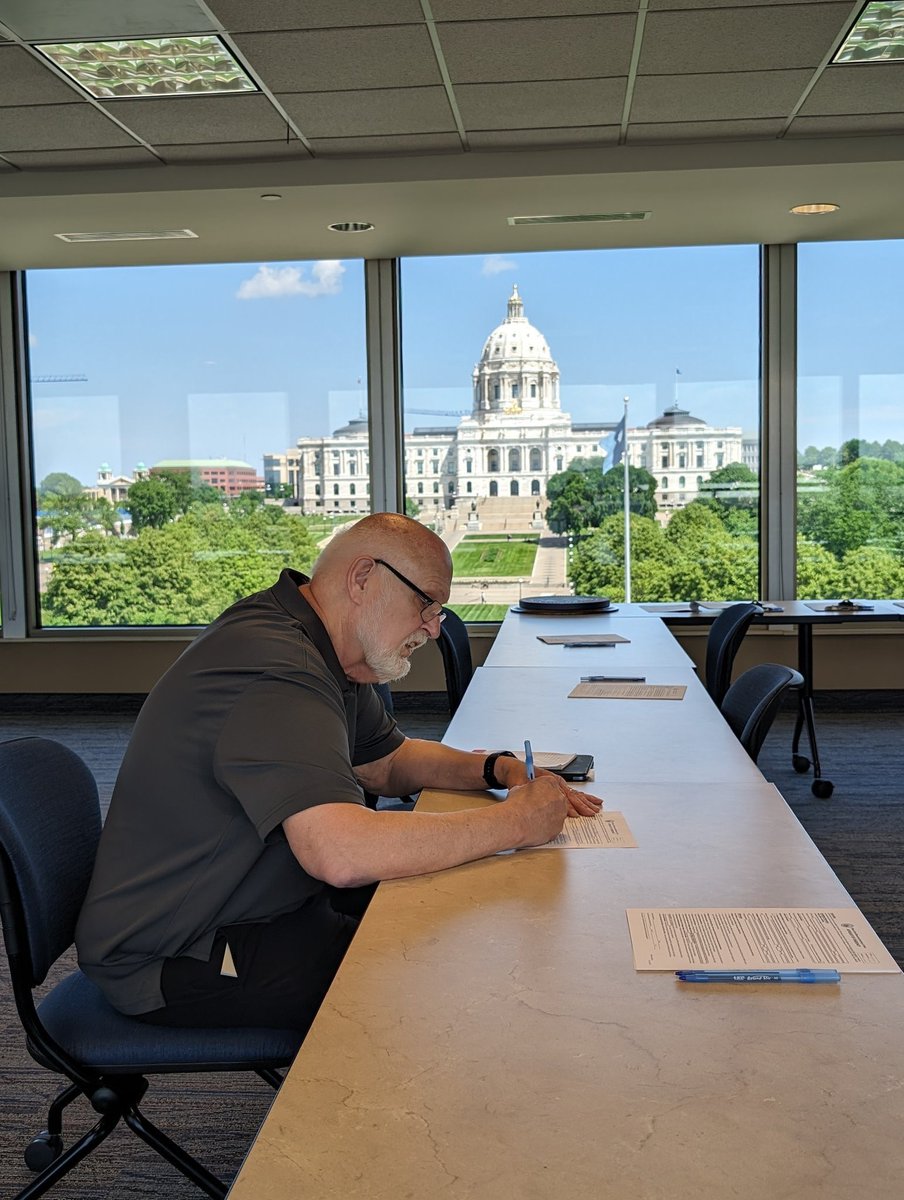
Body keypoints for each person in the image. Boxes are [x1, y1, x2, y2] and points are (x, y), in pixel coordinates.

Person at [76, 513, 601, 1034]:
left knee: (454, 904)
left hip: (260, 899)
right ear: (363, 578)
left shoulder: (327, 648)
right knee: (445, 974)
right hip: (174, 952)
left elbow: (386, 762)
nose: (434, 627)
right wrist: (516, 823)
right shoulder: (278, 667)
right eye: (426, 604)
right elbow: (342, 853)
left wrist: (497, 768)